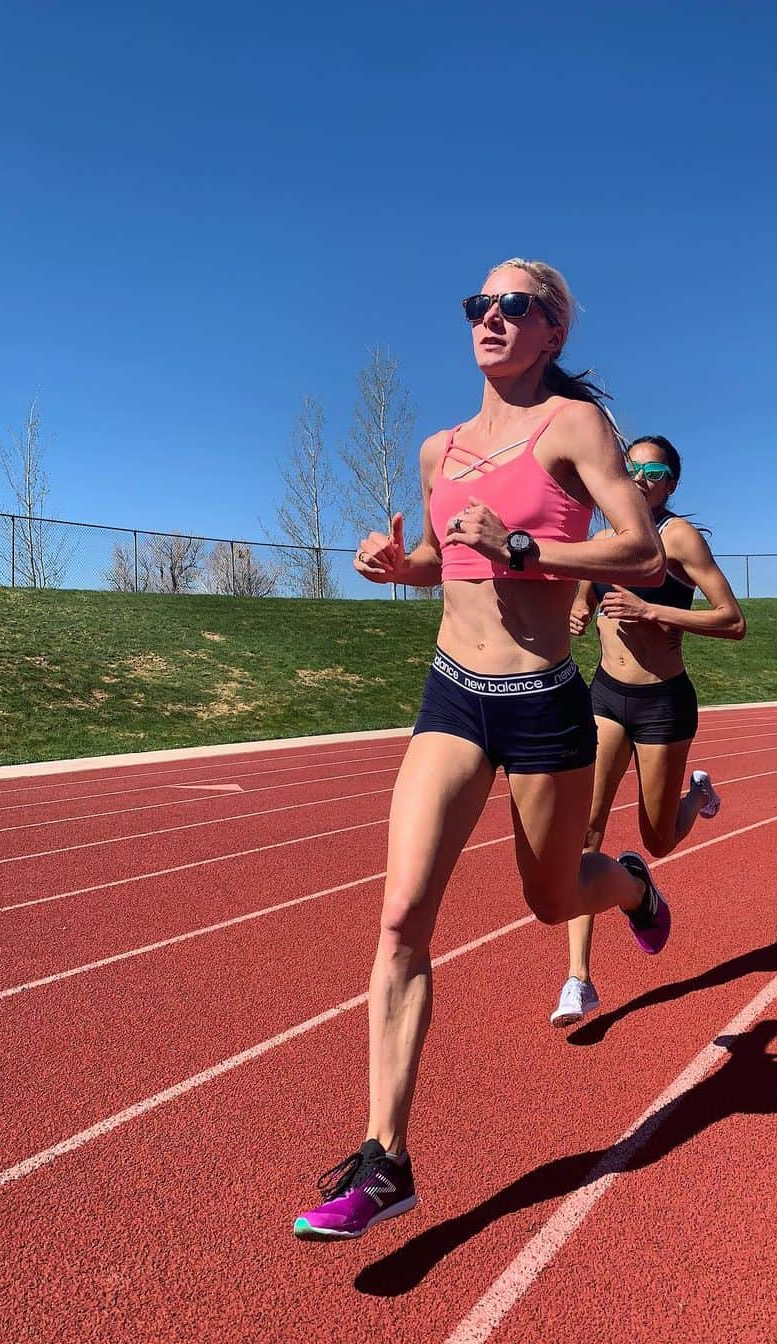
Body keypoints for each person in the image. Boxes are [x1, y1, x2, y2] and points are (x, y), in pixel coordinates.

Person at [294, 258, 672, 1240]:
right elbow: (444, 561)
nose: (494, 317)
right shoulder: (438, 449)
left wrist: (528, 551)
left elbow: (642, 551)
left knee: (553, 900)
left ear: (552, 333)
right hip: (454, 695)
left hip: (545, 702)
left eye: (519, 306)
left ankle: (628, 883)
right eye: (481, 304)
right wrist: (397, 567)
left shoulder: (577, 428)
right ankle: (387, 1159)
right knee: (400, 918)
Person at [550, 436, 746, 1028]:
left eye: (652, 470)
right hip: (606, 695)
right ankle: (579, 981)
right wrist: (578, 610)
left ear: (671, 483)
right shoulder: (606, 537)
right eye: (628, 467)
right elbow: (585, 587)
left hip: (663, 703)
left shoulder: (678, 538)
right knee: (583, 832)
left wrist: (654, 611)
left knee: (656, 839)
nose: (638, 478)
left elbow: (733, 622)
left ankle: (695, 800)